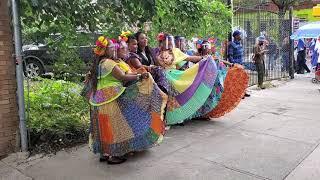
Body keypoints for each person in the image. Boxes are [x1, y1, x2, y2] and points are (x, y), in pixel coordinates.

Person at [82, 36, 167, 164]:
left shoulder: (98, 64)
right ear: (105, 50)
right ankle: (115, 155)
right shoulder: (109, 63)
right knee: (116, 126)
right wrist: (140, 76)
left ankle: (104, 153)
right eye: (112, 48)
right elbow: (123, 76)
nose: (114, 50)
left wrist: (138, 73)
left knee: (104, 126)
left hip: (98, 100)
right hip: (111, 98)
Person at [228, 30, 250, 98]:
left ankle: (243, 92)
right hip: (236, 65)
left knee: (243, 78)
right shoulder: (232, 44)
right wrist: (234, 64)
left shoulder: (240, 44)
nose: (241, 36)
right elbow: (230, 56)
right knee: (236, 80)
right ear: (236, 36)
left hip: (241, 63)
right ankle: (238, 94)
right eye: (240, 35)